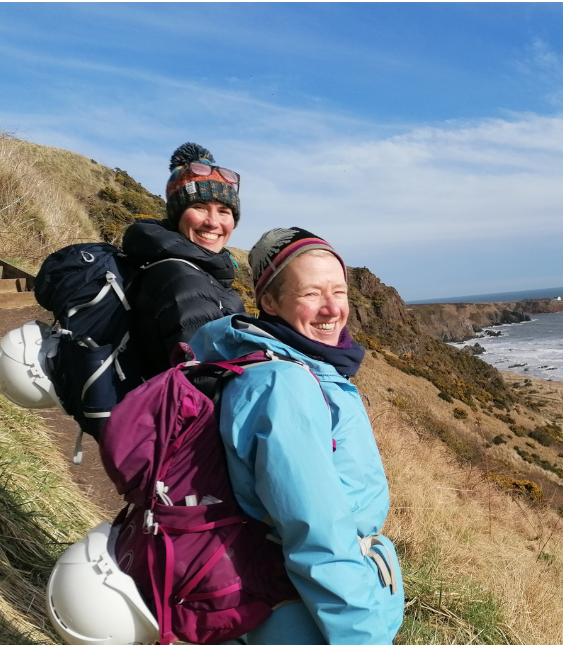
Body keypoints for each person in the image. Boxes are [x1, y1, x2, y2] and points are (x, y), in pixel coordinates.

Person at [189, 228, 404, 645]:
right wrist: (364, 637)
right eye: (311, 293)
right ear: (269, 301)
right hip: (306, 617)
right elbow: (317, 535)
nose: (331, 309)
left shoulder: (296, 366)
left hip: (299, 603)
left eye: (339, 292)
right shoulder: (284, 385)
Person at [122, 142, 245, 378]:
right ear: (177, 216)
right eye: (199, 207)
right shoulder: (184, 279)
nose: (212, 222)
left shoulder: (197, 270)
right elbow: (203, 379)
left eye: (223, 211)